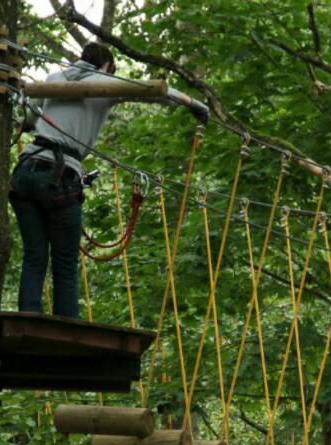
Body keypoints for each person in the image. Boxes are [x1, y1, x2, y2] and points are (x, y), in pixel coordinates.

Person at [11, 42, 210, 318]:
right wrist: (194, 104)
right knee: (65, 264)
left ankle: (28, 319)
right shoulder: (106, 82)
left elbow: (30, 116)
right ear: (106, 65)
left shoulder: (53, 79)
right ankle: (66, 329)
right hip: (59, 178)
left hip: (26, 172)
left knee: (34, 256)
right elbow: (154, 92)